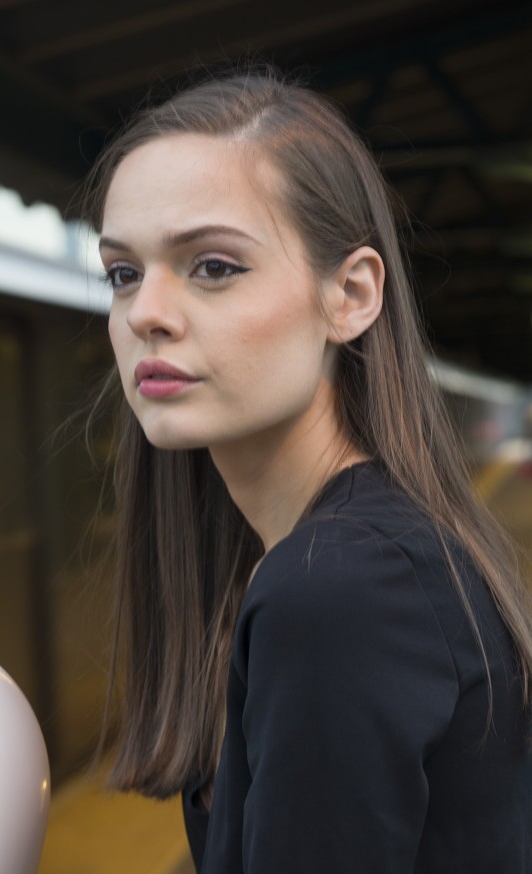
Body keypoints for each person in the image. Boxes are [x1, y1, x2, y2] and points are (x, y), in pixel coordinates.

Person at [84, 69, 532, 872]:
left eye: (212, 266)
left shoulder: (339, 589)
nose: (144, 312)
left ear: (351, 295)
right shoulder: (350, 556)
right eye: (122, 273)